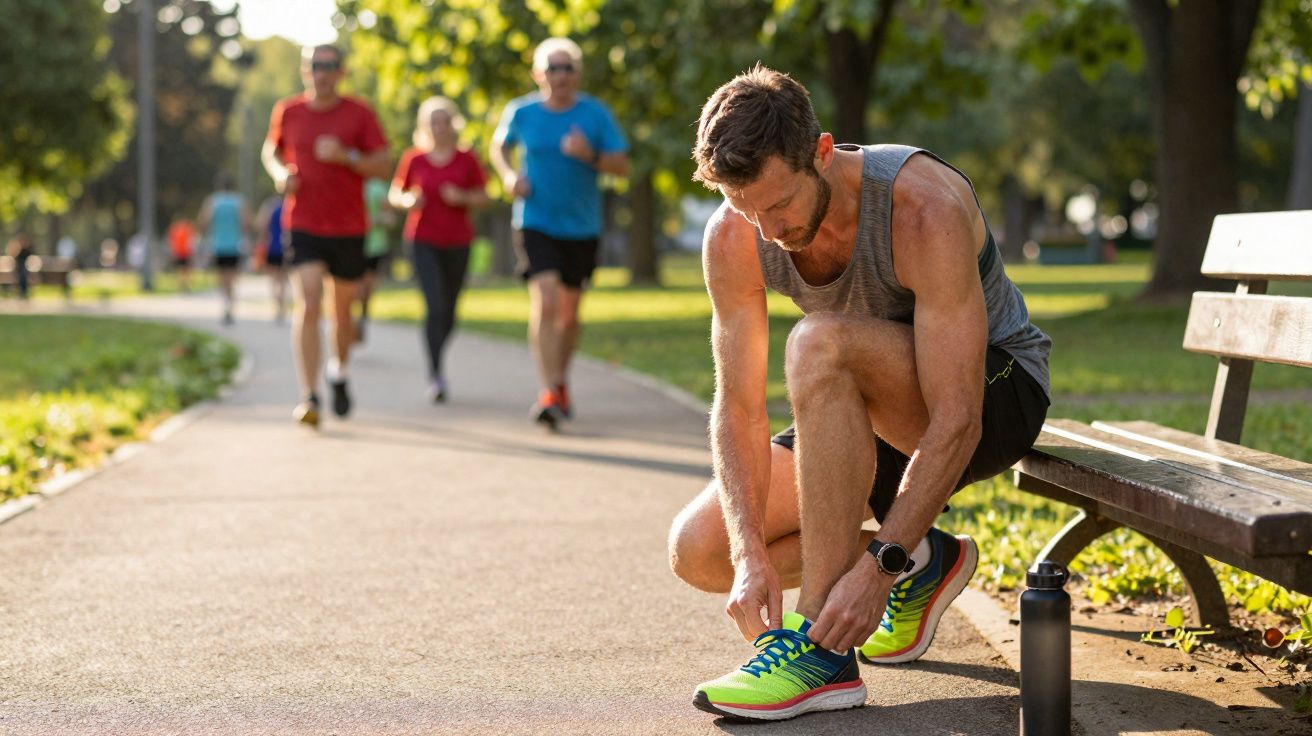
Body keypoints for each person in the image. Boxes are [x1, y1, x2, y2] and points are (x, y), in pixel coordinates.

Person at [667, 66, 1052, 721]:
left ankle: (822, 654)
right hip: (869, 415)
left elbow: (957, 417)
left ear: (822, 151)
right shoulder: (736, 236)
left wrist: (877, 569)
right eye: (744, 207)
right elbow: (738, 408)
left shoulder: (922, 206)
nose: (766, 230)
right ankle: (926, 560)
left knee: (817, 344)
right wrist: (749, 556)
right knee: (699, 550)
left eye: (779, 204)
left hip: (992, 398)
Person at [490, 37, 629, 428]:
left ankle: (560, 380)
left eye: (567, 67)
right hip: (536, 221)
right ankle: (548, 389)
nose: (560, 75)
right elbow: (499, 147)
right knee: (546, 301)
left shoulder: (595, 115)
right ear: (538, 74)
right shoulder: (521, 112)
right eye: (552, 68)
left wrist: (591, 156)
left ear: (577, 74)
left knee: (569, 316)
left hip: (582, 227)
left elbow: (621, 165)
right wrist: (508, 175)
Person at [261, 44, 390, 427]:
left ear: (342, 71)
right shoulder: (289, 111)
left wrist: (347, 157)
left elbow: (384, 166)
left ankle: (339, 371)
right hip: (302, 223)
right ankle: (309, 394)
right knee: (310, 301)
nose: (323, 72)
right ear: (305, 70)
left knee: (341, 311)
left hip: (349, 227)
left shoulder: (359, 113)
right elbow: (270, 151)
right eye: (316, 65)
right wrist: (281, 174)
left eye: (330, 66)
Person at [390, 96, 490, 403]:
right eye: (434, 122)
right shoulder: (414, 159)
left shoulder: (466, 159)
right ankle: (435, 373)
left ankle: (437, 356)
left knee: (450, 311)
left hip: (458, 240)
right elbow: (397, 193)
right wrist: (409, 201)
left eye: (445, 121)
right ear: (425, 126)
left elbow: (484, 197)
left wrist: (461, 197)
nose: (440, 127)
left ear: (453, 125)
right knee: (435, 306)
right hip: (423, 239)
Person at [198, 174, 251, 324]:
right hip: (235, 245)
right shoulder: (239, 201)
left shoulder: (213, 201)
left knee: (221, 278)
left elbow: (204, 221)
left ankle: (225, 305)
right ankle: (230, 306)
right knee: (232, 278)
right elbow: (246, 223)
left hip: (217, 245)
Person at [356, 176, 393, 344]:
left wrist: (372, 221)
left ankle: (362, 319)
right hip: (350, 244)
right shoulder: (344, 180)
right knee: (351, 289)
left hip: (374, 246)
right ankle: (347, 323)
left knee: (366, 290)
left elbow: (390, 219)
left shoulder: (378, 187)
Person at [255, 195, 289, 321]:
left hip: (273, 247)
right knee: (283, 279)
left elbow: (262, 226)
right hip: (286, 247)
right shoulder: (289, 205)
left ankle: (277, 305)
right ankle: (282, 304)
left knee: (274, 279)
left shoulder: (269, 206)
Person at [166, 218, 195, 292]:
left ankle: (183, 285)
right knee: (184, 270)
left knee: (182, 270)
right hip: (182, 252)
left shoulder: (178, 230)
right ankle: (182, 285)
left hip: (182, 252)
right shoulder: (185, 230)